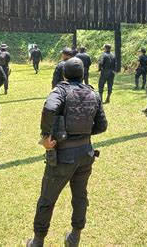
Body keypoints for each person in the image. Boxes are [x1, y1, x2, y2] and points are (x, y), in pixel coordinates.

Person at [27, 57, 108, 247]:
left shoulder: (61, 90)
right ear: (83, 74)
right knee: (80, 197)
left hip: (63, 156)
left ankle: (38, 241)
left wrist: (47, 136)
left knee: (47, 199)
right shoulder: (93, 93)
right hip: (86, 153)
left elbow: (49, 108)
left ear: (64, 74)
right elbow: (102, 125)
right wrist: (84, 132)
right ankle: (74, 238)